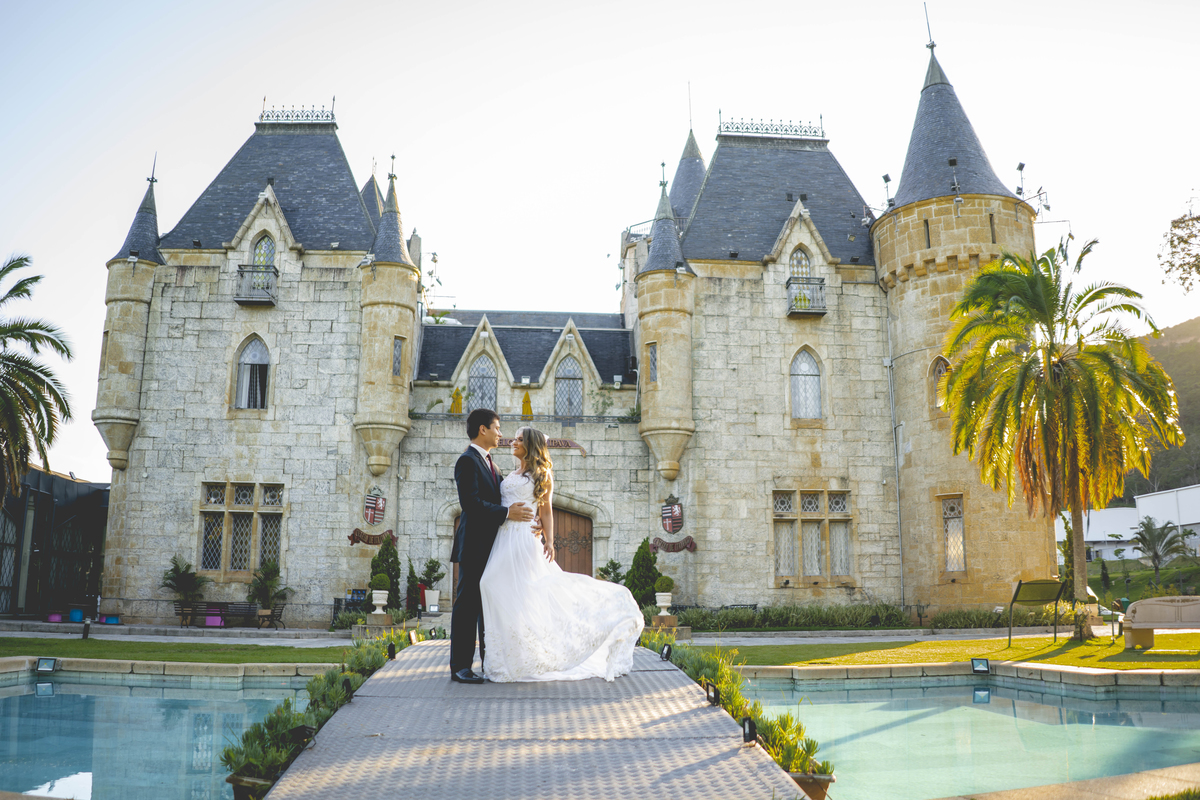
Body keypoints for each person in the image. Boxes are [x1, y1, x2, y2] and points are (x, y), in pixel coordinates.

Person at [480, 426, 643, 682]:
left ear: (530, 445)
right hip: (503, 538)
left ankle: (523, 657)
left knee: (522, 594)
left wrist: (550, 540)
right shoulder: (509, 473)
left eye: (520, 440)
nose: (514, 441)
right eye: (515, 438)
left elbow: (546, 511)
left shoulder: (542, 474)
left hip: (524, 539)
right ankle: (509, 657)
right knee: (493, 585)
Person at [449, 408, 535, 684]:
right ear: (482, 429)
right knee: (468, 605)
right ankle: (460, 666)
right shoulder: (467, 461)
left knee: (491, 605)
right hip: (474, 546)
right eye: (497, 427)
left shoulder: (493, 465)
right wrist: (507, 513)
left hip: (496, 547)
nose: (501, 433)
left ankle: (491, 662)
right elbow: (470, 504)